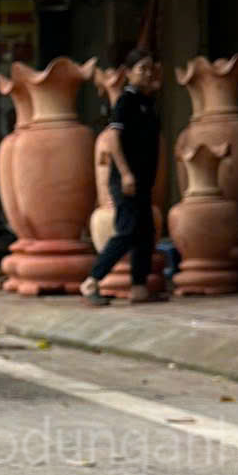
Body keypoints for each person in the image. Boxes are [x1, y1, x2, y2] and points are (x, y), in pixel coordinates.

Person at [81, 48, 163, 304]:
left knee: (145, 233)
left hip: (143, 181)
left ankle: (138, 287)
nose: (147, 74)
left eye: (150, 69)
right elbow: (114, 138)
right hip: (126, 180)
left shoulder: (147, 103)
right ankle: (91, 281)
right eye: (142, 69)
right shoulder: (125, 102)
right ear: (128, 73)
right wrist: (126, 174)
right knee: (127, 231)